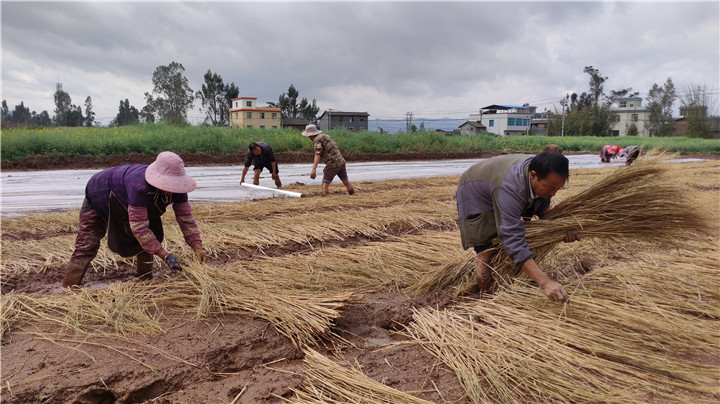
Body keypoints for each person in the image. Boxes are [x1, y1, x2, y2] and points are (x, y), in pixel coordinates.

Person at [62, 151, 207, 288]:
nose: (171, 188)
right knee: (87, 244)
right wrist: (166, 256)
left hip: (127, 201)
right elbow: (139, 228)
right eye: (169, 183)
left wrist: (197, 247)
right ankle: (69, 286)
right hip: (99, 195)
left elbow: (185, 219)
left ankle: (145, 280)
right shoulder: (139, 187)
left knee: (150, 238)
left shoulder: (179, 189)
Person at [456, 152, 580, 302]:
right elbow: (512, 238)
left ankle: (511, 276)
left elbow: (543, 212)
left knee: (519, 237)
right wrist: (545, 282)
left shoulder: (543, 180)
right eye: (550, 187)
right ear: (533, 175)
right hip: (475, 193)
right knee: (487, 248)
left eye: (557, 189)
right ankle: (487, 297)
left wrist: (563, 229)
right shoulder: (510, 187)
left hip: (498, 184)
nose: (553, 193)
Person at [302, 124, 355, 196]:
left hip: (332, 163)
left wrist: (314, 169)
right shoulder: (325, 136)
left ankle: (325, 201)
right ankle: (353, 194)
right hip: (341, 161)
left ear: (310, 136)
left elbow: (317, 154)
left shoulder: (317, 140)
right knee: (346, 181)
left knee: (324, 184)